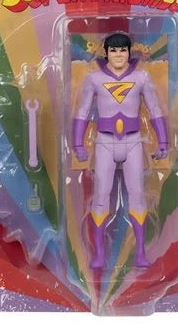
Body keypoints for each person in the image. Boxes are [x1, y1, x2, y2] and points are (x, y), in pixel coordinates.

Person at [72, 32, 168, 269]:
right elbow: (82, 111)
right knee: (101, 196)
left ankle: (140, 253)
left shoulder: (141, 77)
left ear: (129, 52)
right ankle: (99, 255)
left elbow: (155, 109)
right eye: (113, 50)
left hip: (133, 141)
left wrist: (163, 142)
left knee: (137, 194)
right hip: (104, 143)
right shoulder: (94, 78)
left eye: (122, 50)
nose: (118, 54)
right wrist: (77, 144)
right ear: (106, 52)